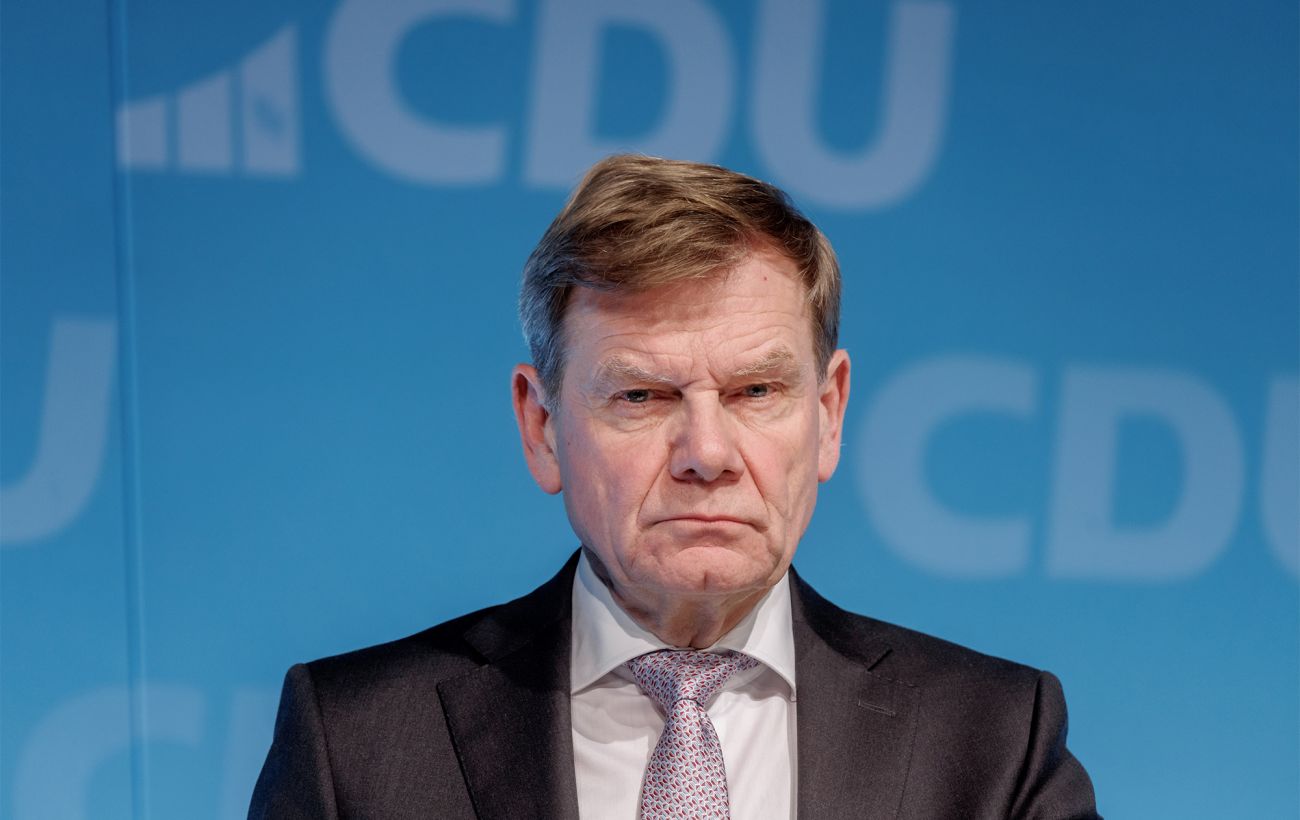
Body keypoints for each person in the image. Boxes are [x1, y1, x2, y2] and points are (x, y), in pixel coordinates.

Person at [249, 155, 1100, 819]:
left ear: (829, 412)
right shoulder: (356, 742)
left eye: (756, 391)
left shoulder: (993, 743)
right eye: (641, 396)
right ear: (542, 427)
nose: (707, 452)